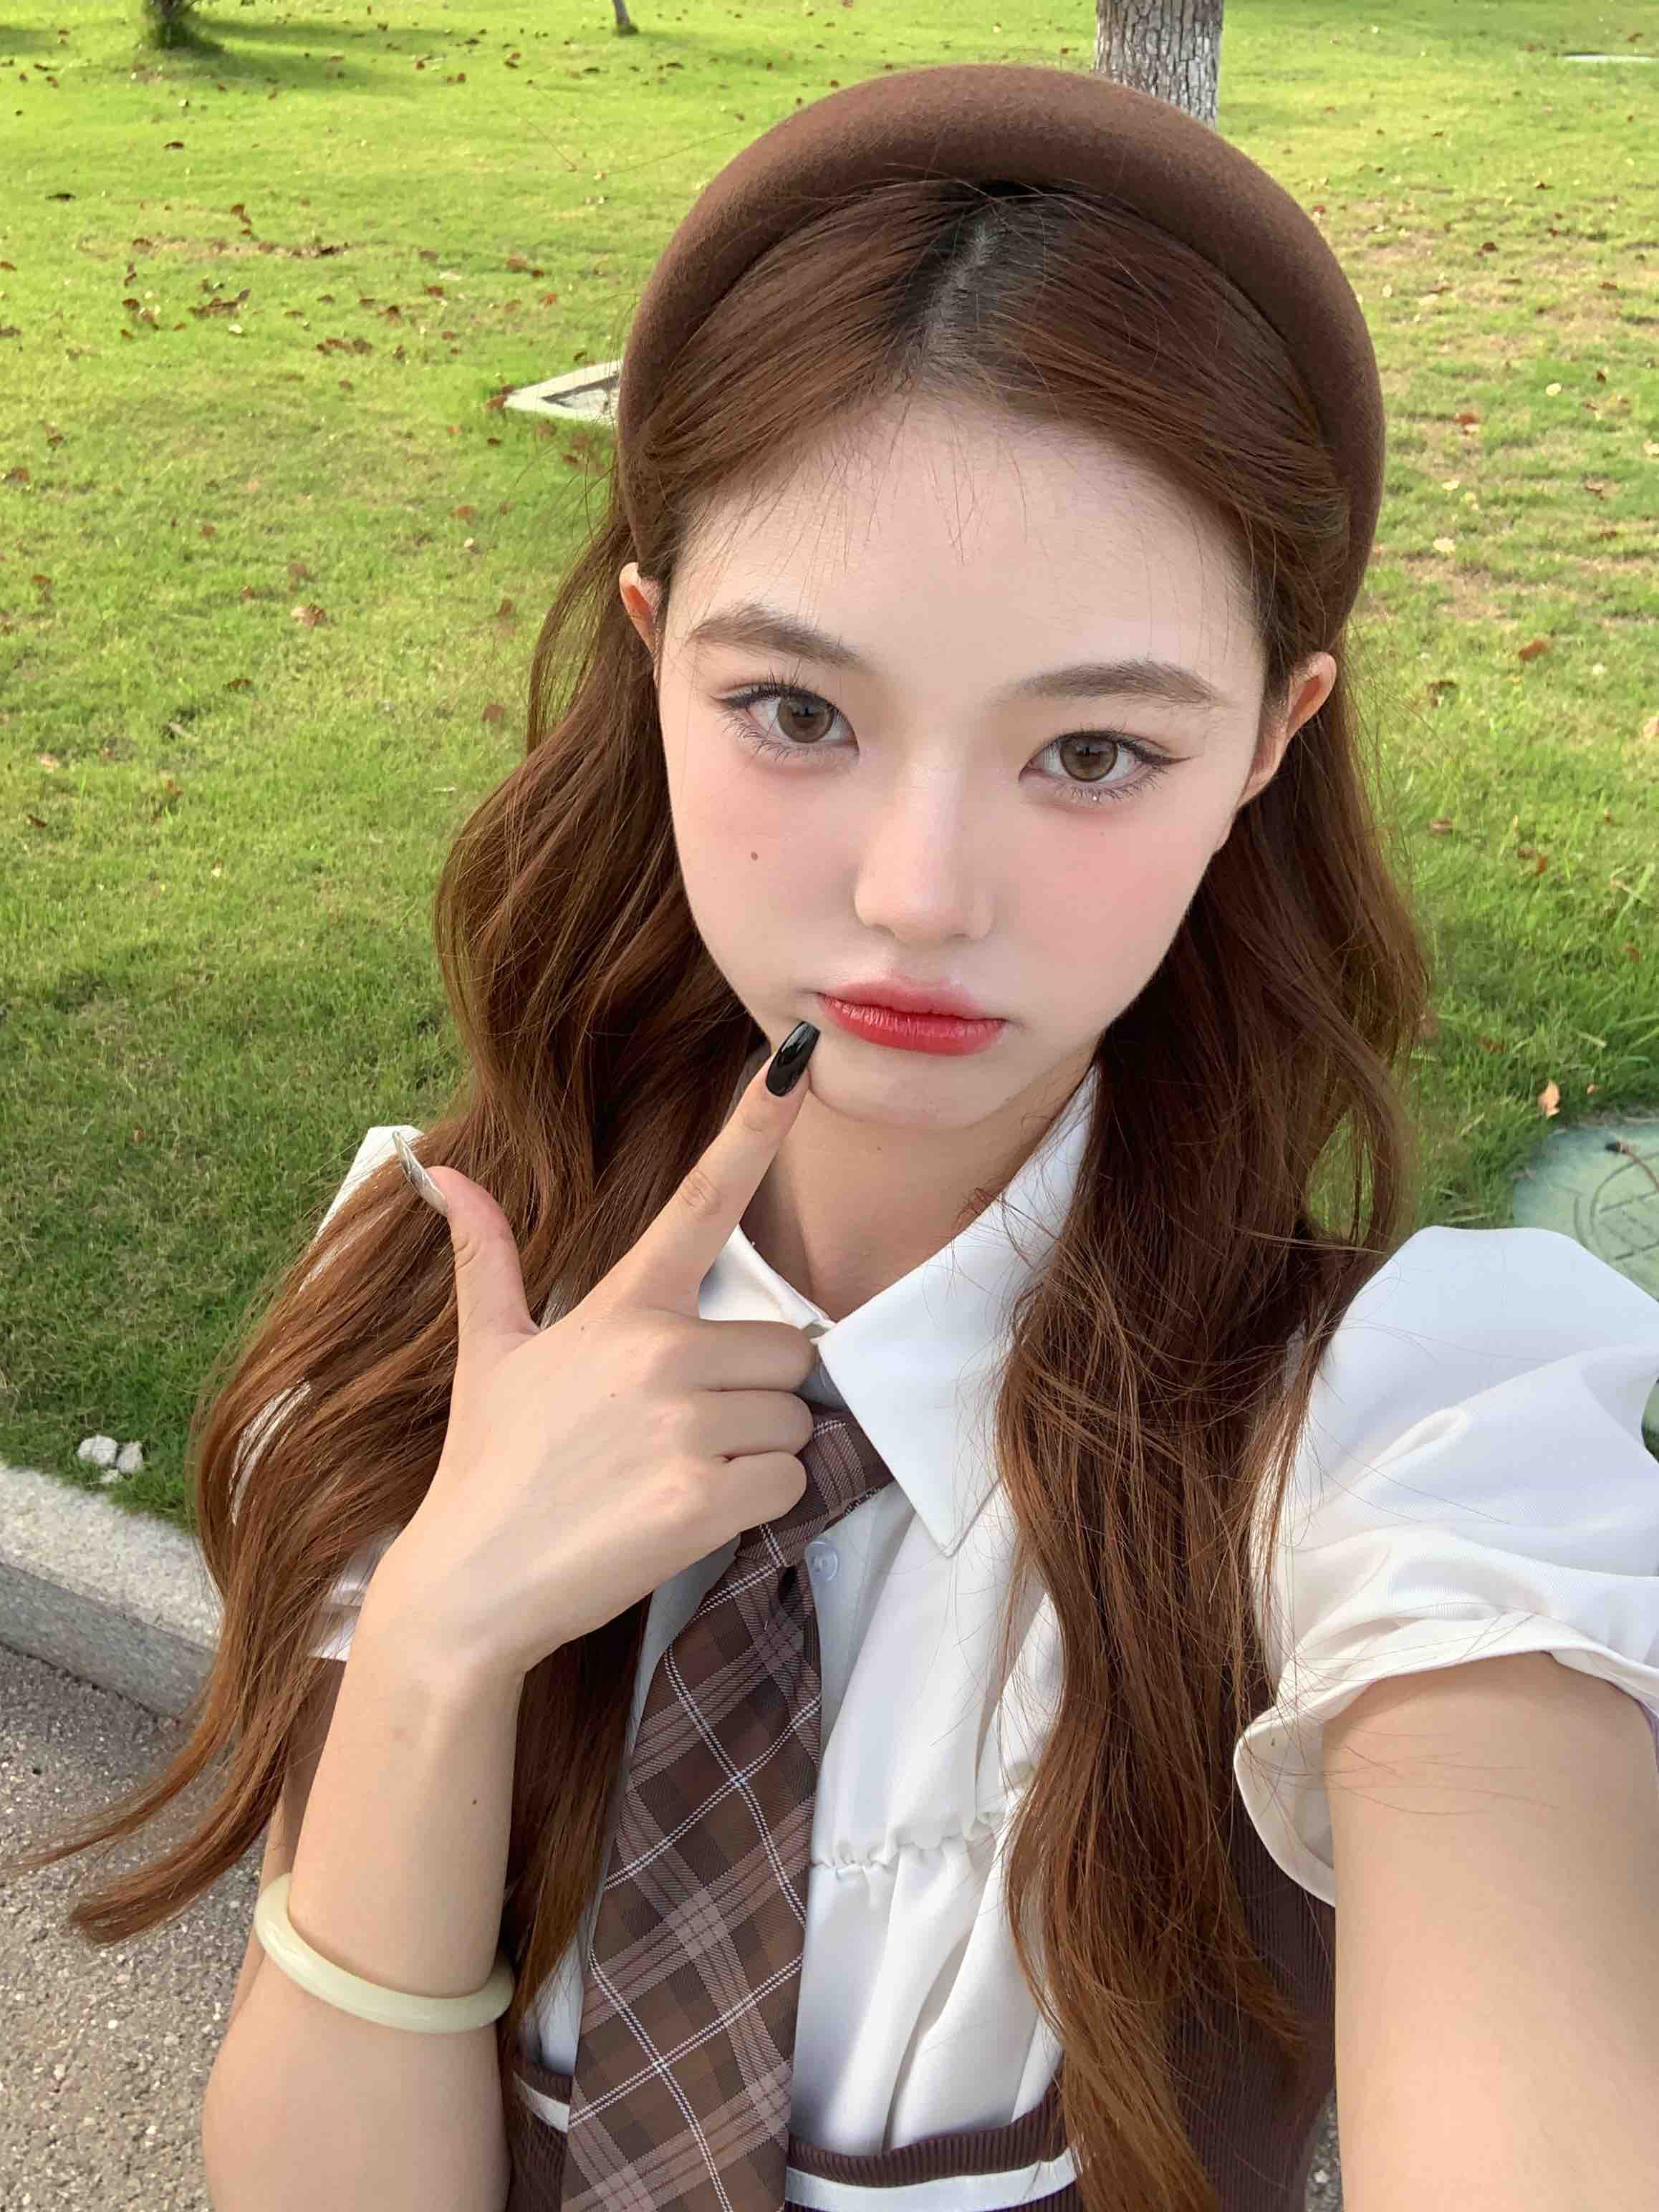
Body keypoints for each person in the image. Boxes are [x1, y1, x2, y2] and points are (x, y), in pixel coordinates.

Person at [9, 61, 1659, 2212]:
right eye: (794, 711)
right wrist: (434, 1643)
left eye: (1091, 750)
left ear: (1272, 737)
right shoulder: (438, 1295)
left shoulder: (1389, 1438)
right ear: (651, 653)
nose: (915, 892)